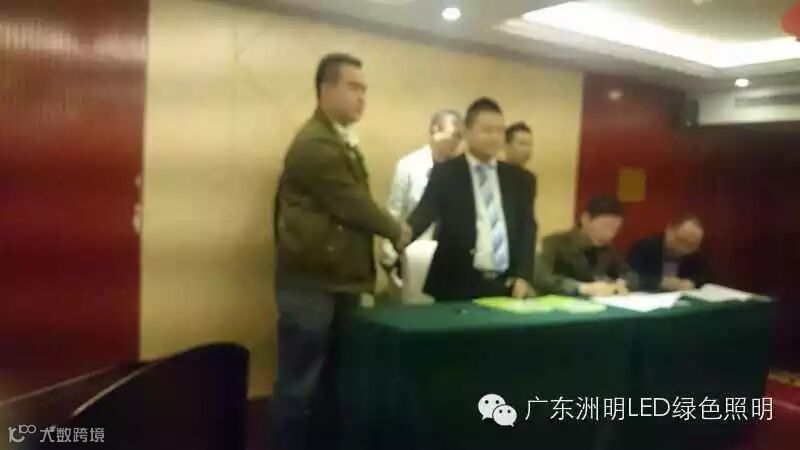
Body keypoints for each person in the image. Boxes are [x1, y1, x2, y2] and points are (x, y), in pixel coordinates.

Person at [272, 53, 410, 450]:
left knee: (330, 384)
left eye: (364, 89)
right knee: (299, 388)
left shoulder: (338, 140)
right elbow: (351, 202)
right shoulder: (315, 144)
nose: (362, 97)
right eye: (353, 87)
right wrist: (395, 230)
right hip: (311, 285)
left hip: (336, 280)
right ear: (325, 89)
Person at [407, 97, 537, 301]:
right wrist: (396, 237)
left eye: (499, 131)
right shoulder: (447, 173)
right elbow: (423, 215)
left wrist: (523, 275)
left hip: (506, 286)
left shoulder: (520, 179)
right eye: (487, 130)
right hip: (457, 285)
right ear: (467, 132)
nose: (494, 137)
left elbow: (527, 229)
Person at [380, 110, 463, 286]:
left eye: (460, 137)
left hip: (448, 260)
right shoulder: (409, 166)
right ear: (435, 130)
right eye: (454, 135)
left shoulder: (460, 172)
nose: (457, 142)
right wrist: (391, 259)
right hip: (412, 258)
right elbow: (394, 212)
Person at [535, 195, 637, 296]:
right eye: (605, 226)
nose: (610, 234)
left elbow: (629, 273)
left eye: (615, 229)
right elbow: (542, 278)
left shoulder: (608, 249)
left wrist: (623, 282)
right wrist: (581, 288)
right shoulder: (554, 242)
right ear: (586, 219)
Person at [627, 215, 709, 292]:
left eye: (692, 245)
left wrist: (692, 282)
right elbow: (631, 278)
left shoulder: (695, 254)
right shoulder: (645, 247)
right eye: (680, 240)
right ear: (669, 230)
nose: (683, 249)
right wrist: (660, 282)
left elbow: (705, 277)